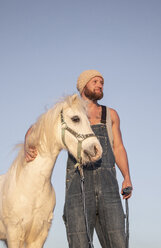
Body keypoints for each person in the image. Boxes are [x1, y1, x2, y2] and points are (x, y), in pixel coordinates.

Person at [25, 70, 132, 248]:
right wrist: (27, 145)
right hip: (78, 186)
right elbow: (36, 126)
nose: (100, 85)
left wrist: (127, 177)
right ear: (83, 86)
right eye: (95, 81)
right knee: (79, 242)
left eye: (102, 82)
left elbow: (118, 147)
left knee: (118, 241)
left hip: (109, 187)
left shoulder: (110, 114)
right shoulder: (68, 111)